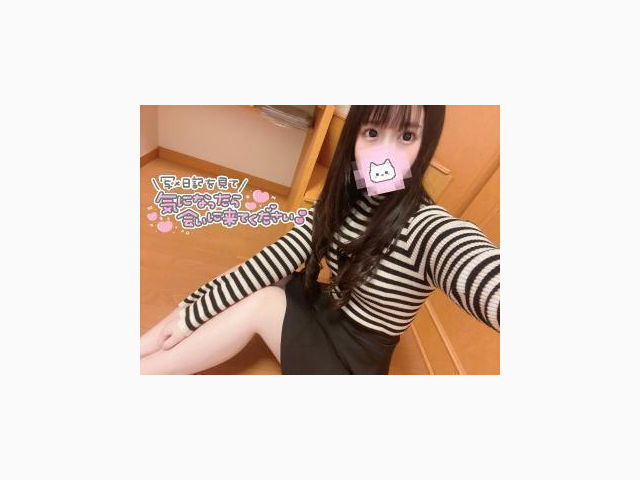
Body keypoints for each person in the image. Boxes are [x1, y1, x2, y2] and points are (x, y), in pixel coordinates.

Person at [140, 105, 500, 375]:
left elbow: (474, 264)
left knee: (263, 302)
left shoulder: (426, 227)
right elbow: (273, 258)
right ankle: (142, 347)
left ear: (425, 144)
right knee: (265, 276)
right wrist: (190, 315)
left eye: (406, 136)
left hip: (351, 364)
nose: (384, 155)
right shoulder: (346, 195)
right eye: (372, 132)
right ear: (353, 135)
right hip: (329, 311)